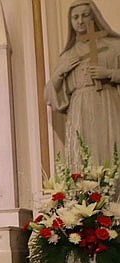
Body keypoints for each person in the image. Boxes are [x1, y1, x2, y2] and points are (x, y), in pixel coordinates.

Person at [45, 0, 120, 169]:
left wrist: (109, 74)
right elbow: (49, 95)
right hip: (80, 110)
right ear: (70, 21)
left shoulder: (114, 47)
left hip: (109, 105)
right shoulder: (67, 55)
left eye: (85, 15)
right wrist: (60, 72)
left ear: (94, 16)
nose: (80, 21)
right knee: (85, 158)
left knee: (112, 150)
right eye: (75, 17)